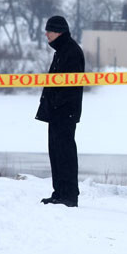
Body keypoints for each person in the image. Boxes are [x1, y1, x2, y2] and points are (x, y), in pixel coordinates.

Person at [36, 16, 85, 207]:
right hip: (57, 112)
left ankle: (69, 195)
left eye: (49, 31)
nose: (46, 34)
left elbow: (69, 87)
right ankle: (59, 192)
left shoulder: (71, 52)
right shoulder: (61, 51)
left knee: (65, 153)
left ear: (59, 32)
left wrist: (56, 104)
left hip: (65, 113)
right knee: (56, 153)